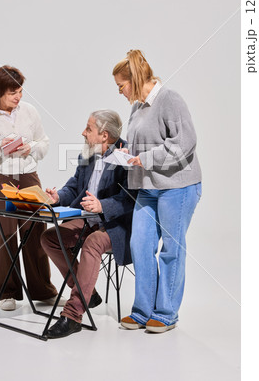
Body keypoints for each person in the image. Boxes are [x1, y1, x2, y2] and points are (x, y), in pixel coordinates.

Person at [112, 49, 202, 333]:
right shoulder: (136, 107)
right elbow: (144, 145)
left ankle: (166, 313)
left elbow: (184, 142)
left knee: (172, 250)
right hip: (148, 188)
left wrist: (146, 158)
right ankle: (142, 311)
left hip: (178, 186)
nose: (120, 92)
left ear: (134, 79)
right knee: (139, 246)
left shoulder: (170, 99)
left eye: (121, 86)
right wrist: (129, 152)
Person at [0, 65, 63, 311]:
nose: (18, 97)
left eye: (20, 91)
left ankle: (43, 290)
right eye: (13, 92)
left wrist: (30, 147)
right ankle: (7, 292)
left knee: (36, 231)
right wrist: (0, 149)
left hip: (28, 176)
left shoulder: (30, 112)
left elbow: (44, 142)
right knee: (6, 235)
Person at [40, 110, 134, 339]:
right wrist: (58, 197)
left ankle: (72, 315)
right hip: (87, 219)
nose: (83, 132)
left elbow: (131, 199)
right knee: (50, 238)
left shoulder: (127, 154)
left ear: (104, 135)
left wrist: (102, 206)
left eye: (88, 129)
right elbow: (74, 187)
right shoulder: (88, 155)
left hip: (115, 225)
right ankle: (86, 293)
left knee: (92, 244)